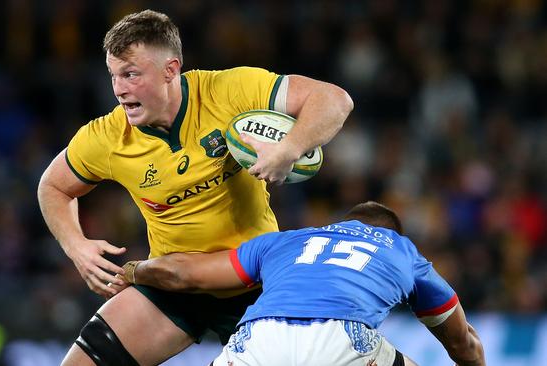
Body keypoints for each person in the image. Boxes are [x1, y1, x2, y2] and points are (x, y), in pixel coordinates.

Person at [36, 9, 353, 366]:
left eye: (131, 75)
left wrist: (289, 148)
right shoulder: (107, 137)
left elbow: (334, 100)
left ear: (170, 70)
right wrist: (76, 245)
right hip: (174, 284)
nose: (119, 89)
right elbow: (53, 187)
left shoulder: (228, 91)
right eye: (113, 76)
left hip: (255, 283)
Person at [118, 201, 486, 366]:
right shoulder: (403, 251)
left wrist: (133, 271)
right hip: (342, 339)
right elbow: (463, 342)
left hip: (258, 338)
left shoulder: (286, 240)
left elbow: (185, 273)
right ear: (389, 233)